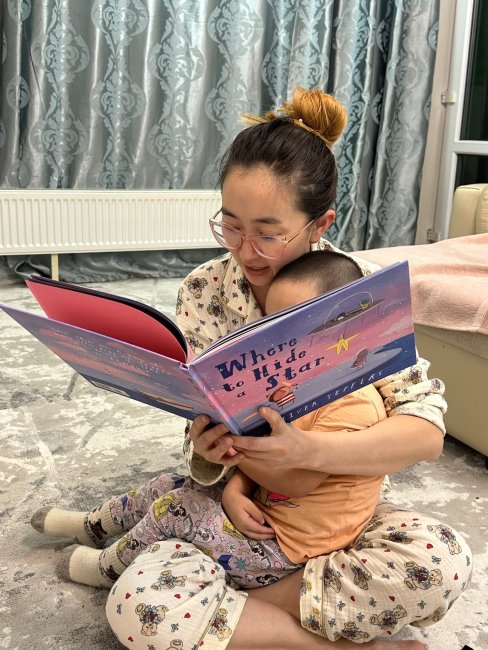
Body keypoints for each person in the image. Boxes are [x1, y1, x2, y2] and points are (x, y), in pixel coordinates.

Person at [31, 88, 471, 649]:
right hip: (240, 505)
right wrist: (212, 458)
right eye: (231, 225)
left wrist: (310, 454)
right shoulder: (206, 290)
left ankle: (227, 601)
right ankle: (279, 606)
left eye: (268, 232)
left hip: (332, 509)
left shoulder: (358, 293)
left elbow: (425, 433)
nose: (245, 250)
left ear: (319, 224)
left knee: (440, 563)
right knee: (147, 582)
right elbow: (203, 426)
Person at [35, 251, 389, 595]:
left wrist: (236, 449)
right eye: (272, 324)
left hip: (286, 552)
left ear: (344, 328)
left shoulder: (353, 402)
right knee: (167, 484)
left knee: (177, 509)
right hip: (265, 513)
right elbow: (270, 455)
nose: (280, 344)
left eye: (296, 328)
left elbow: (296, 480)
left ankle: (108, 568)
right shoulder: (296, 385)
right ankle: (93, 525)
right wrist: (236, 487)